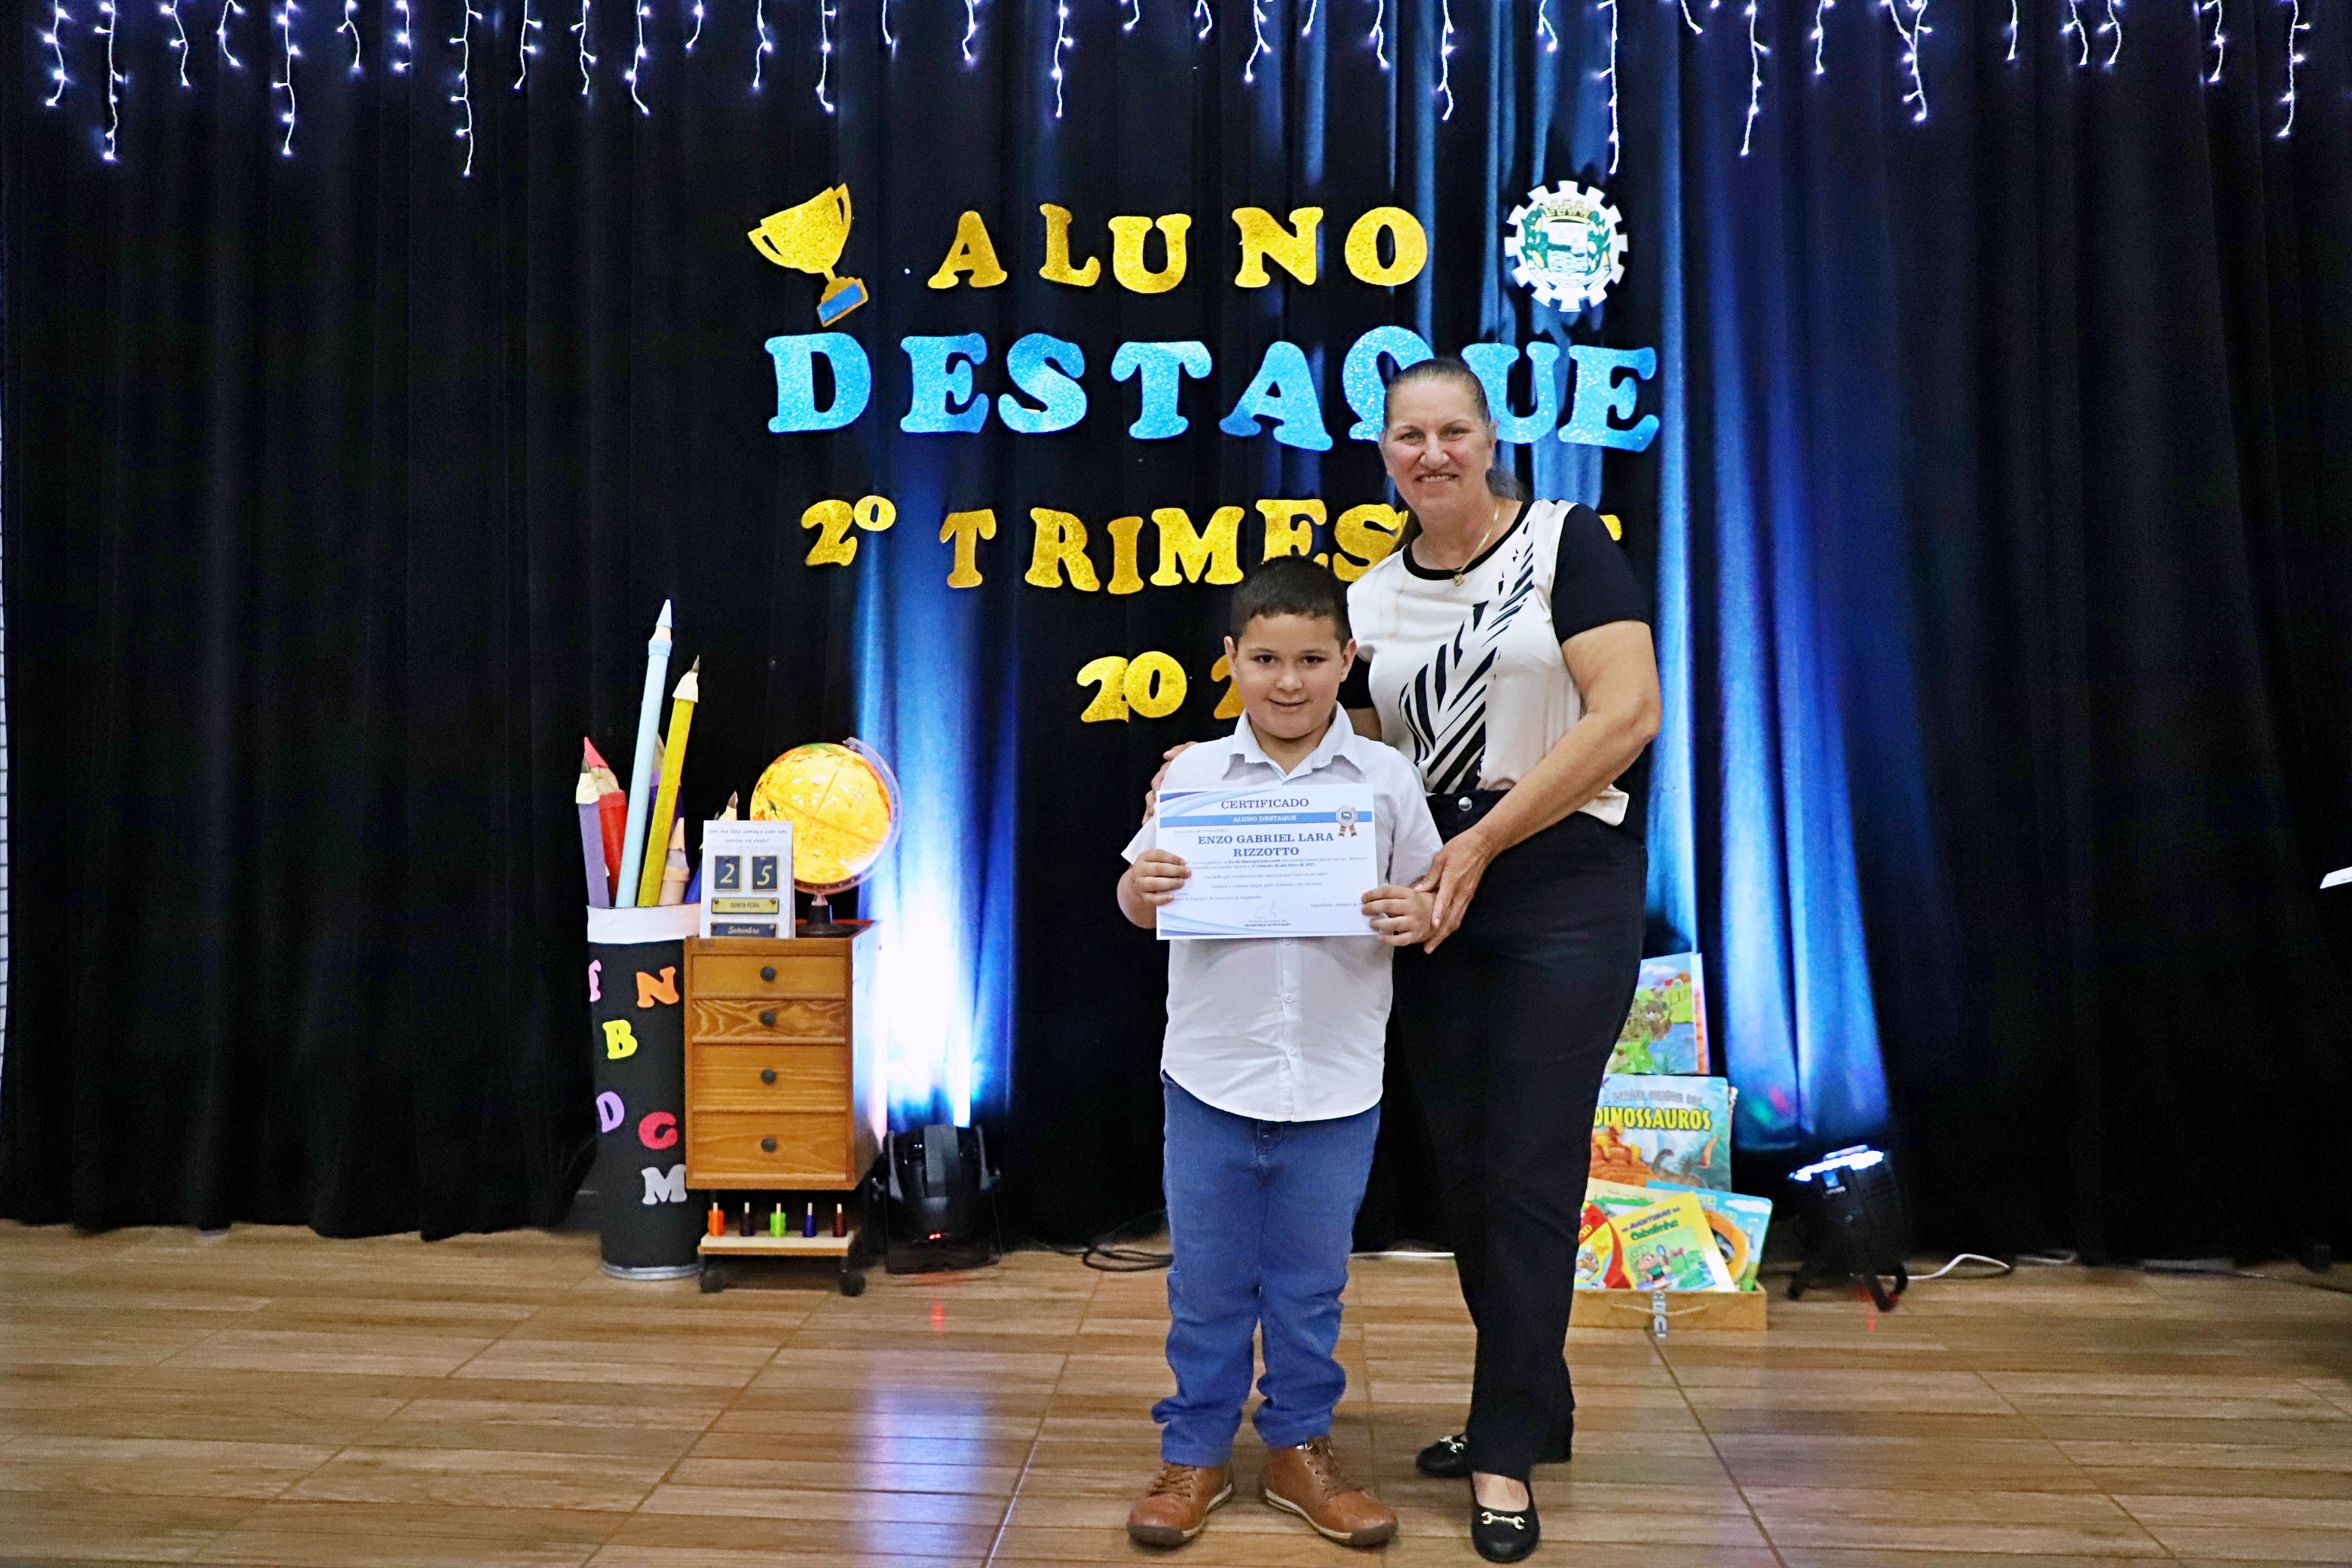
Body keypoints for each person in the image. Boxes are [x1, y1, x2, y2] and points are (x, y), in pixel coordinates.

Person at [1341, 356, 1660, 1561]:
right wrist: (1209, 774)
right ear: (1385, 453)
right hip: (1439, 889)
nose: (1432, 453)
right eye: (1409, 436)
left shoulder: (1567, 543)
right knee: (1472, 1170)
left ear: (1489, 440)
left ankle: (1504, 1448)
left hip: (1560, 879)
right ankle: (1539, 1401)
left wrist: (1481, 841)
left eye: (1453, 432)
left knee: (1530, 1167)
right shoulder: (1370, 597)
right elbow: (1355, 758)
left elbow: (1626, 715)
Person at [1116, 557, 1444, 1551]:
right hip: (1211, 1076)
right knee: (1206, 1284)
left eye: (1310, 659)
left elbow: (1432, 899)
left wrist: (1416, 912)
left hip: (1338, 1081)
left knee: (1310, 1287)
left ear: (1347, 659)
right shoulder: (1190, 777)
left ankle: (1300, 1448)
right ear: (1231, 660)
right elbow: (1134, 904)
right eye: (1265, 659)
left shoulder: (1386, 779)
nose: (1288, 681)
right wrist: (1145, 888)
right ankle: (1196, 1453)